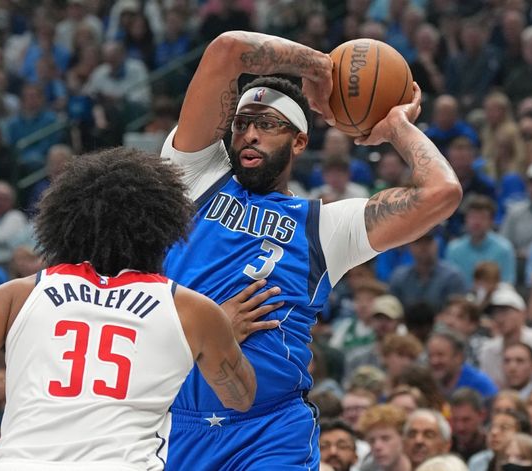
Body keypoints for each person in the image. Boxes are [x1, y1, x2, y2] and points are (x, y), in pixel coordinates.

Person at [160, 29, 462, 469]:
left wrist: (398, 126)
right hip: (175, 422)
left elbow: (442, 193)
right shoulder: (194, 175)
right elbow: (227, 50)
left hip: (269, 431)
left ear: (300, 141)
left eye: (267, 124)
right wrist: (320, 67)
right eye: (242, 123)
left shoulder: (324, 226)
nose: (249, 134)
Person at [0, 147, 256, 469]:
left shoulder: (20, 295)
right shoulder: (192, 310)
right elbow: (240, 397)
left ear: (61, 224)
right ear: (163, 231)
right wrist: (217, 337)